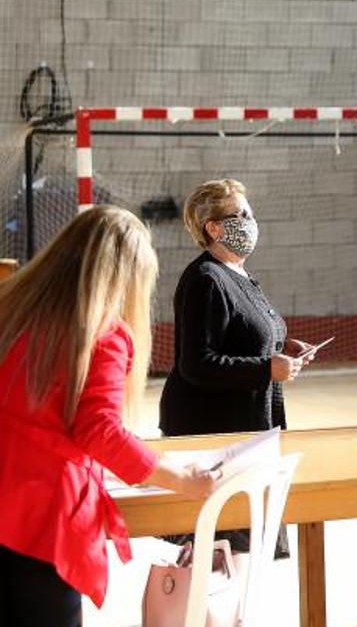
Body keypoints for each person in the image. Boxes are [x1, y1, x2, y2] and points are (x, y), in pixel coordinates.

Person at [0, 206, 217, 626]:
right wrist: (178, 477)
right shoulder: (102, 333)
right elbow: (99, 431)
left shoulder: (13, 312)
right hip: (44, 518)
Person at [159, 179, 312, 555]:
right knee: (223, 556)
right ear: (214, 227)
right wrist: (265, 369)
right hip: (216, 436)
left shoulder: (238, 274)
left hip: (249, 430)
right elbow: (196, 363)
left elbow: (245, 334)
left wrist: (282, 347)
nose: (251, 221)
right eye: (241, 215)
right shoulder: (205, 279)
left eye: (251, 213)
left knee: (246, 553)